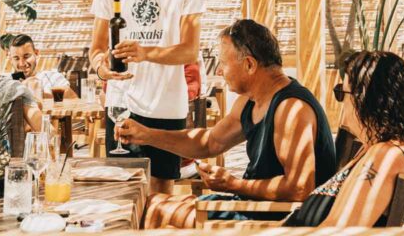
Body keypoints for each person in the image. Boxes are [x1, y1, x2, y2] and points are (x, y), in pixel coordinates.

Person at [116, 19, 336, 228]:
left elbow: (299, 188)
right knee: (145, 203)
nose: (219, 71)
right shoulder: (252, 100)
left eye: (223, 63)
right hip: (251, 206)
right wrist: (146, 135)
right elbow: (209, 143)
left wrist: (233, 184)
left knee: (152, 212)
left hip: (274, 219)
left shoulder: (291, 109)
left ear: (249, 65)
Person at [89, 0, 205, 194]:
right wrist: (102, 70)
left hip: (168, 105)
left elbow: (190, 51)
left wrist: (145, 53)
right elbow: (96, 50)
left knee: (161, 193)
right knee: (123, 194)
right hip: (122, 106)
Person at [283, 51, 404, 227]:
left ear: (365, 100)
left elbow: (340, 229)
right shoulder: (369, 150)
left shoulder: (386, 156)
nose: (343, 104)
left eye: (341, 93)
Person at [8, 34, 78, 101]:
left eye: (26, 56)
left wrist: (40, 95)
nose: (22, 64)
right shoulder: (7, 82)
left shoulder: (53, 77)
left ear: (36, 53)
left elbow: (74, 100)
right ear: (11, 59)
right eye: (16, 58)